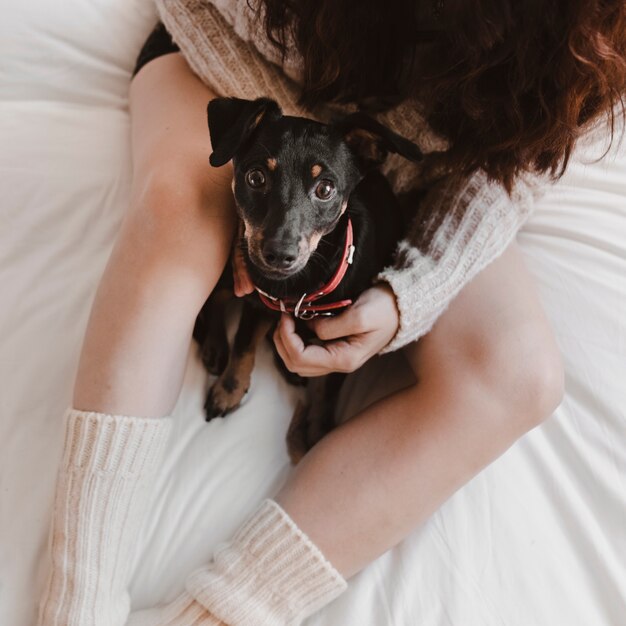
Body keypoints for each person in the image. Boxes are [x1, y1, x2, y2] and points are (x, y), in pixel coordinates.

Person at [37, 1, 626, 625]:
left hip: (412, 172)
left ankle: (209, 618)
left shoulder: (599, 30)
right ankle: (78, 604)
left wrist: (412, 292)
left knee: (519, 376)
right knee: (180, 222)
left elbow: (526, 159)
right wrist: (289, 160)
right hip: (237, 73)